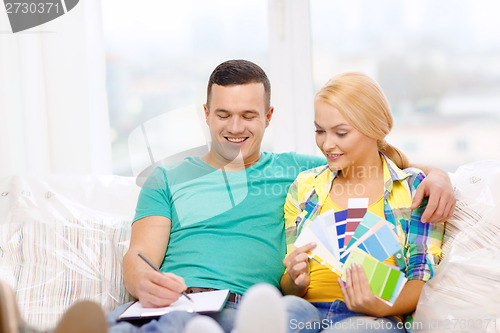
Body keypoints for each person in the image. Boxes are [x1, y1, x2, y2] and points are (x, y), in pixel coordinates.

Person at [107, 60, 454, 333]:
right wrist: (144, 281)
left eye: (248, 116)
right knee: (130, 323)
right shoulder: (166, 178)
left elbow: (368, 159)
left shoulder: (297, 173)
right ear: (207, 115)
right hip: (171, 301)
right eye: (224, 115)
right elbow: (139, 257)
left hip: (242, 308)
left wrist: (438, 176)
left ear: (268, 117)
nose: (235, 128)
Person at [281, 72, 445, 332]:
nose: (327, 144)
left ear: (374, 130)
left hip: (376, 318)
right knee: (282, 312)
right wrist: (293, 281)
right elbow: (289, 283)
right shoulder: (304, 187)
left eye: (341, 133)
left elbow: (421, 276)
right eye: (319, 131)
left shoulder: (414, 188)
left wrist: (381, 307)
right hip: (308, 309)